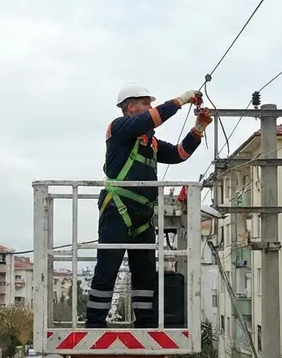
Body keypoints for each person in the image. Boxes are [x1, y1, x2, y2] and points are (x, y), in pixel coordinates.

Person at [85, 84, 213, 329]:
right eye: (146, 104)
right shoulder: (118, 128)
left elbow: (179, 154)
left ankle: (145, 322)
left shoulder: (151, 143)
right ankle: (95, 324)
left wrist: (199, 128)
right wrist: (181, 100)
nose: (150, 108)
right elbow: (152, 119)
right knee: (107, 270)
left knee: (145, 274)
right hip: (117, 211)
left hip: (143, 216)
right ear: (130, 107)